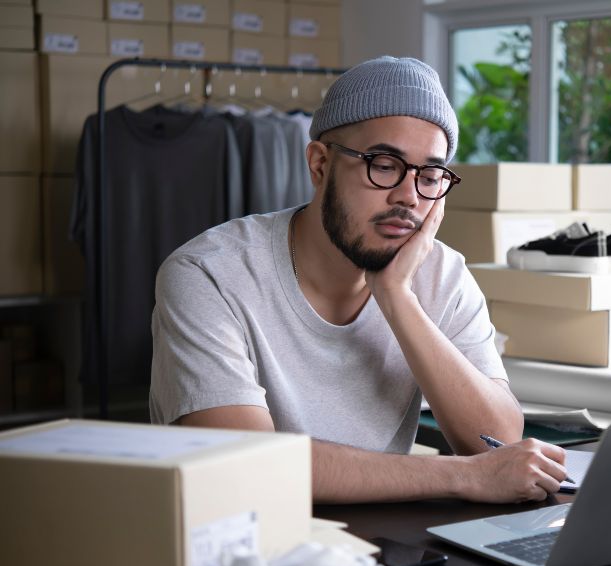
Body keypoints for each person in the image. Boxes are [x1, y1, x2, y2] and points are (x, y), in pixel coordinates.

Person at [150, 56, 570, 503]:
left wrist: (395, 296)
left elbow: (497, 441)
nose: (408, 196)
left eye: (429, 175)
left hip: (388, 545)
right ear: (319, 165)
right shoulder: (208, 273)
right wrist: (463, 476)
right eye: (384, 164)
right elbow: (246, 463)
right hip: (242, 546)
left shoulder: (441, 273)